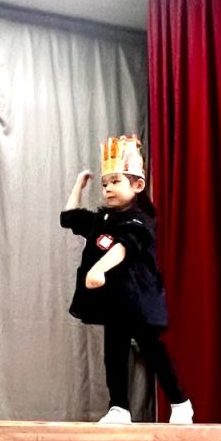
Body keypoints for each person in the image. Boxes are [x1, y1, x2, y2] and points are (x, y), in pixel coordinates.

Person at [61, 135, 193, 424]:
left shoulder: (140, 219)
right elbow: (69, 217)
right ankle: (119, 407)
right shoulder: (102, 219)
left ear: (137, 185)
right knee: (114, 353)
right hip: (115, 301)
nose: (108, 188)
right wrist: (79, 186)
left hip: (138, 297)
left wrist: (99, 269)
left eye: (115, 181)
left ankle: (180, 402)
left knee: (152, 349)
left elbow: (124, 246)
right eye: (104, 184)